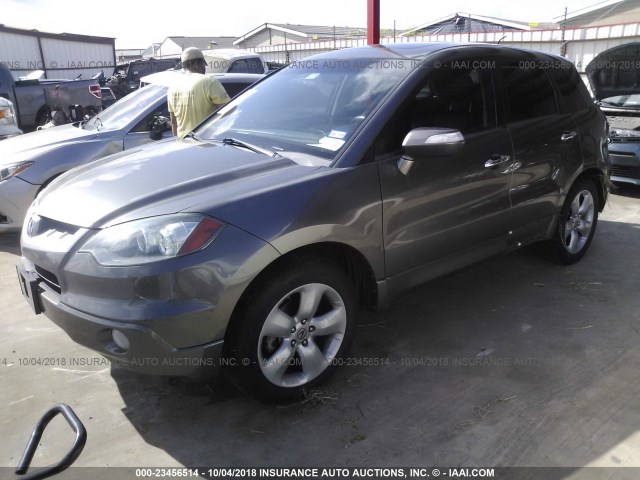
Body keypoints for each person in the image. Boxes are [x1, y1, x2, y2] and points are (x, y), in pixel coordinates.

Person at [167, 47, 230, 141]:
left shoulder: (172, 88)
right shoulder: (209, 82)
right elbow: (228, 114)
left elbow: (174, 123)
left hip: (183, 144)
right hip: (207, 143)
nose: (204, 68)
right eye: (203, 65)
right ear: (197, 64)